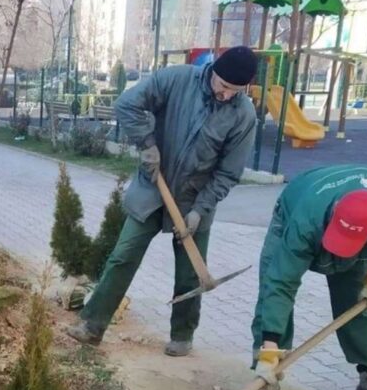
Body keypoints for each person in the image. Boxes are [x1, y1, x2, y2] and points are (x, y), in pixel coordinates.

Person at [66, 46, 258, 356]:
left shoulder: (243, 115)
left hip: (196, 199)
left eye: (235, 91)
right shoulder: (177, 80)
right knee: (123, 256)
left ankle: (182, 335)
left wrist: (200, 210)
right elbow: (127, 104)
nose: (225, 95)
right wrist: (147, 144)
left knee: (190, 274)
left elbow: (228, 173)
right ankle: (92, 324)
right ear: (214, 72)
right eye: (222, 86)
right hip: (153, 188)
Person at [248, 165, 367, 390]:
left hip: (360, 237)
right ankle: (265, 375)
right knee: (271, 292)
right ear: (336, 207)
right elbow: (281, 284)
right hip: (298, 208)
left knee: (358, 304)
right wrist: (269, 347)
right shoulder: (305, 222)